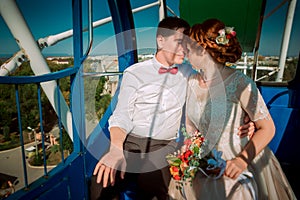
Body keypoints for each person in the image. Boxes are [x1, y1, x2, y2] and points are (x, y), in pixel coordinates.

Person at [90, 17, 255, 200]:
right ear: (161, 40)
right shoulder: (135, 73)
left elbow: (220, 86)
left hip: (163, 144)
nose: (184, 48)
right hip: (129, 141)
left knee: (158, 185)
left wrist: (247, 120)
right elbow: (121, 115)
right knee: (99, 182)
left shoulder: (191, 74)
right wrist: (116, 149)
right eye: (178, 42)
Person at [168, 18, 296, 200]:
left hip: (237, 158)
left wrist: (242, 160)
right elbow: (191, 129)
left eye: (189, 50)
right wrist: (188, 153)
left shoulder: (240, 83)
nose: (186, 54)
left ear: (203, 51)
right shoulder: (191, 82)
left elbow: (268, 128)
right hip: (203, 162)